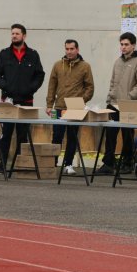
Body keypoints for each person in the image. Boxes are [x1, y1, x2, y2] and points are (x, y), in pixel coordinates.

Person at [0, 24, 45, 172]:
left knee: (23, 135)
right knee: (5, 135)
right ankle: (2, 165)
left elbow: (40, 75)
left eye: (17, 33)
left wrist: (31, 88)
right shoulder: (4, 54)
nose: (14, 36)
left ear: (24, 36)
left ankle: (21, 164)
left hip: (26, 102)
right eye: (12, 33)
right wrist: (5, 86)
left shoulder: (33, 55)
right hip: (8, 102)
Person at [96, 32, 137, 174]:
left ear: (133, 45)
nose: (123, 47)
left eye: (126, 44)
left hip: (130, 105)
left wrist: (129, 97)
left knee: (127, 135)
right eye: (121, 44)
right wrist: (110, 97)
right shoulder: (117, 62)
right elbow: (113, 82)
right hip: (113, 104)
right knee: (110, 134)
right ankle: (108, 164)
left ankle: (127, 163)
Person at [45, 39, 94, 175]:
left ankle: (68, 164)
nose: (69, 51)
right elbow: (51, 86)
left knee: (72, 137)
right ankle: (53, 163)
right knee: (56, 137)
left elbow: (90, 87)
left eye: (72, 49)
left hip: (75, 109)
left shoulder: (85, 66)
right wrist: (49, 104)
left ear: (77, 50)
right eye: (67, 49)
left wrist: (81, 101)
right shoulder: (57, 65)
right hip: (59, 106)